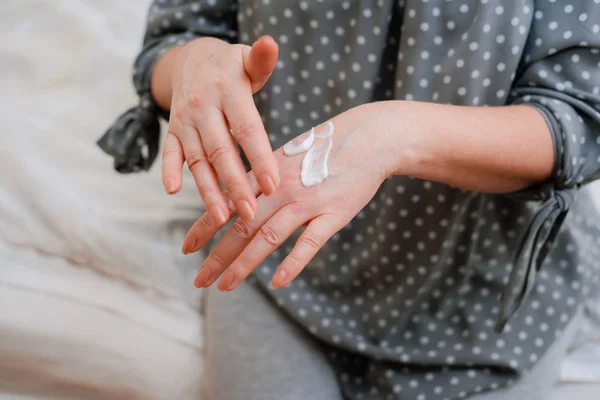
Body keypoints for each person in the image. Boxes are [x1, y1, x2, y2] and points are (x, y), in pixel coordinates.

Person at [99, 1, 600, 399]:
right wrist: (194, 66)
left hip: (480, 287)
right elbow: (172, 41)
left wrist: (394, 134)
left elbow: (578, 120)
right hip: (277, 252)